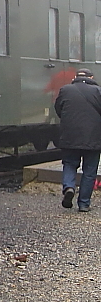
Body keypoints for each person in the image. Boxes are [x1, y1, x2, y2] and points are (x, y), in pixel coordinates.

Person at [54, 69, 101, 212]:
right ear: (91, 77)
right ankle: (84, 204)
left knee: (69, 164)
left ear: (75, 77)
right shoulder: (98, 91)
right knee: (89, 171)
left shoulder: (65, 90)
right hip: (93, 138)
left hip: (70, 136)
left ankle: (69, 187)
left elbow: (58, 109)